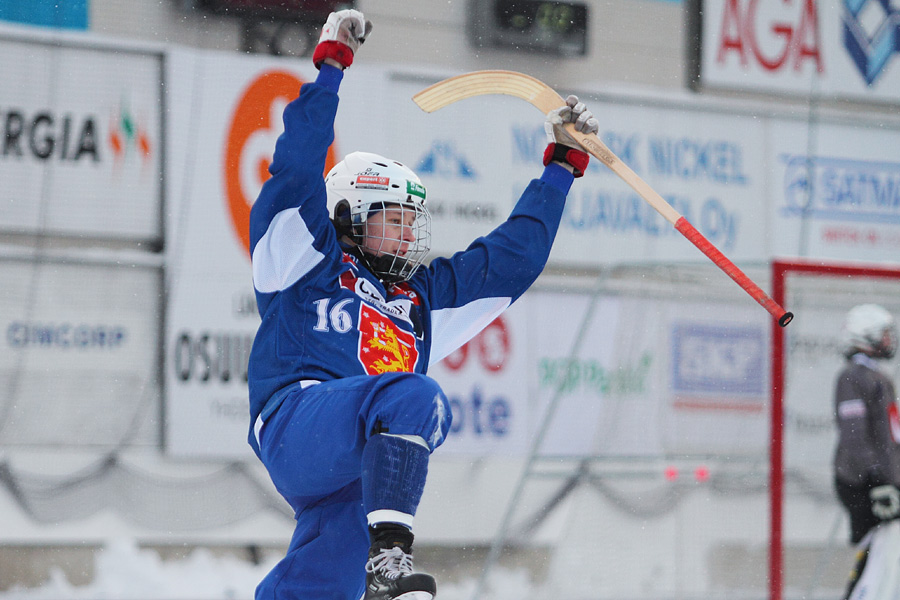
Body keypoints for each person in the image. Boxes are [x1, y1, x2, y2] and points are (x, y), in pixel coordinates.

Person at [246, 9, 598, 600]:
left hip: (352, 471)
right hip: (295, 426)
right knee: (415, 394)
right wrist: (332, 65)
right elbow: (298, 164)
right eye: (393, 221)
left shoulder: (418, 299)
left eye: (413, 222)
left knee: (319, 586)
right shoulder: (304, 257)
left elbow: (511, 259)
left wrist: (562, 167)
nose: (408, 236)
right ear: (348, 218)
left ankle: (355, 560)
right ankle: (390, 561)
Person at [833, 303, 900, 600]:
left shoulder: (876, 377)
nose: (889, 340)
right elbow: (854, 436)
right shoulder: (854, 377)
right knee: (878, 547)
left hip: (883, 481)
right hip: (864, 483)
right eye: (884, 334)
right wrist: (876, 480)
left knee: (888, 547)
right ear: (866, 335)